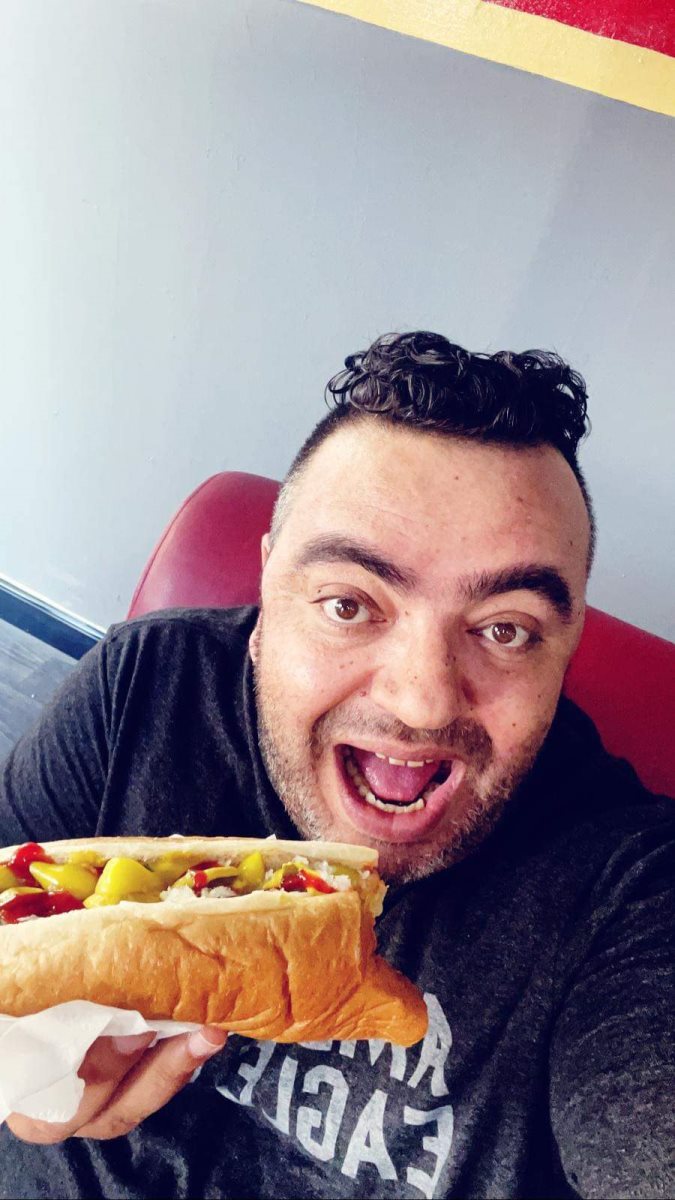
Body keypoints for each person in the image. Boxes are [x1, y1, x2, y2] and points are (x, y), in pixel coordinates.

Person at [0, 331, 672, 1200]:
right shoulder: (142, 683)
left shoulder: (631, 887)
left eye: (505, 629)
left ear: (565, 646)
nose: (422, 702)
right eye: (348, 604)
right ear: (267, 590)